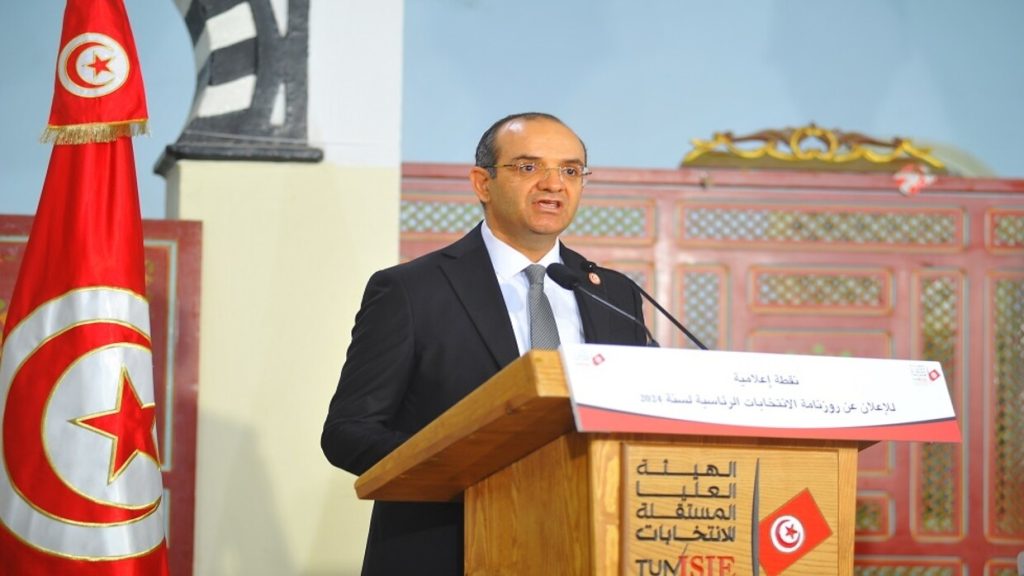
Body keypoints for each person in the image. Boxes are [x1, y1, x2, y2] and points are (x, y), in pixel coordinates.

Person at [321, 112, 648, 575]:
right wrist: (466, 469)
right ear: (482, 183)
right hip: (446, 550)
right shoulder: (412, 290)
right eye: (529, 167)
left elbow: (638, 417)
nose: (553, 184)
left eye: (571, 170)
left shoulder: (613, 293)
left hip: (587, 547)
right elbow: (348, 432)